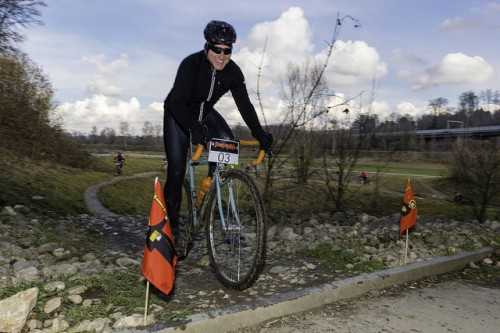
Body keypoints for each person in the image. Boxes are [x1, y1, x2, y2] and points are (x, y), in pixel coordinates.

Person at [163, 20, 273, 254]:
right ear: (207, 47)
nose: (222, 55)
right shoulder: (191, 64)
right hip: (178, 113)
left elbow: (244, 105)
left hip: (206, 114)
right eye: (217, 49)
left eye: (228, 50)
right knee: (175, 170)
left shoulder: (233, 72)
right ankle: (170, 233)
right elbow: (177, 102)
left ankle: (219, 205)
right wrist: (193, 127)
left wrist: (260, 133)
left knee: (227, 149)